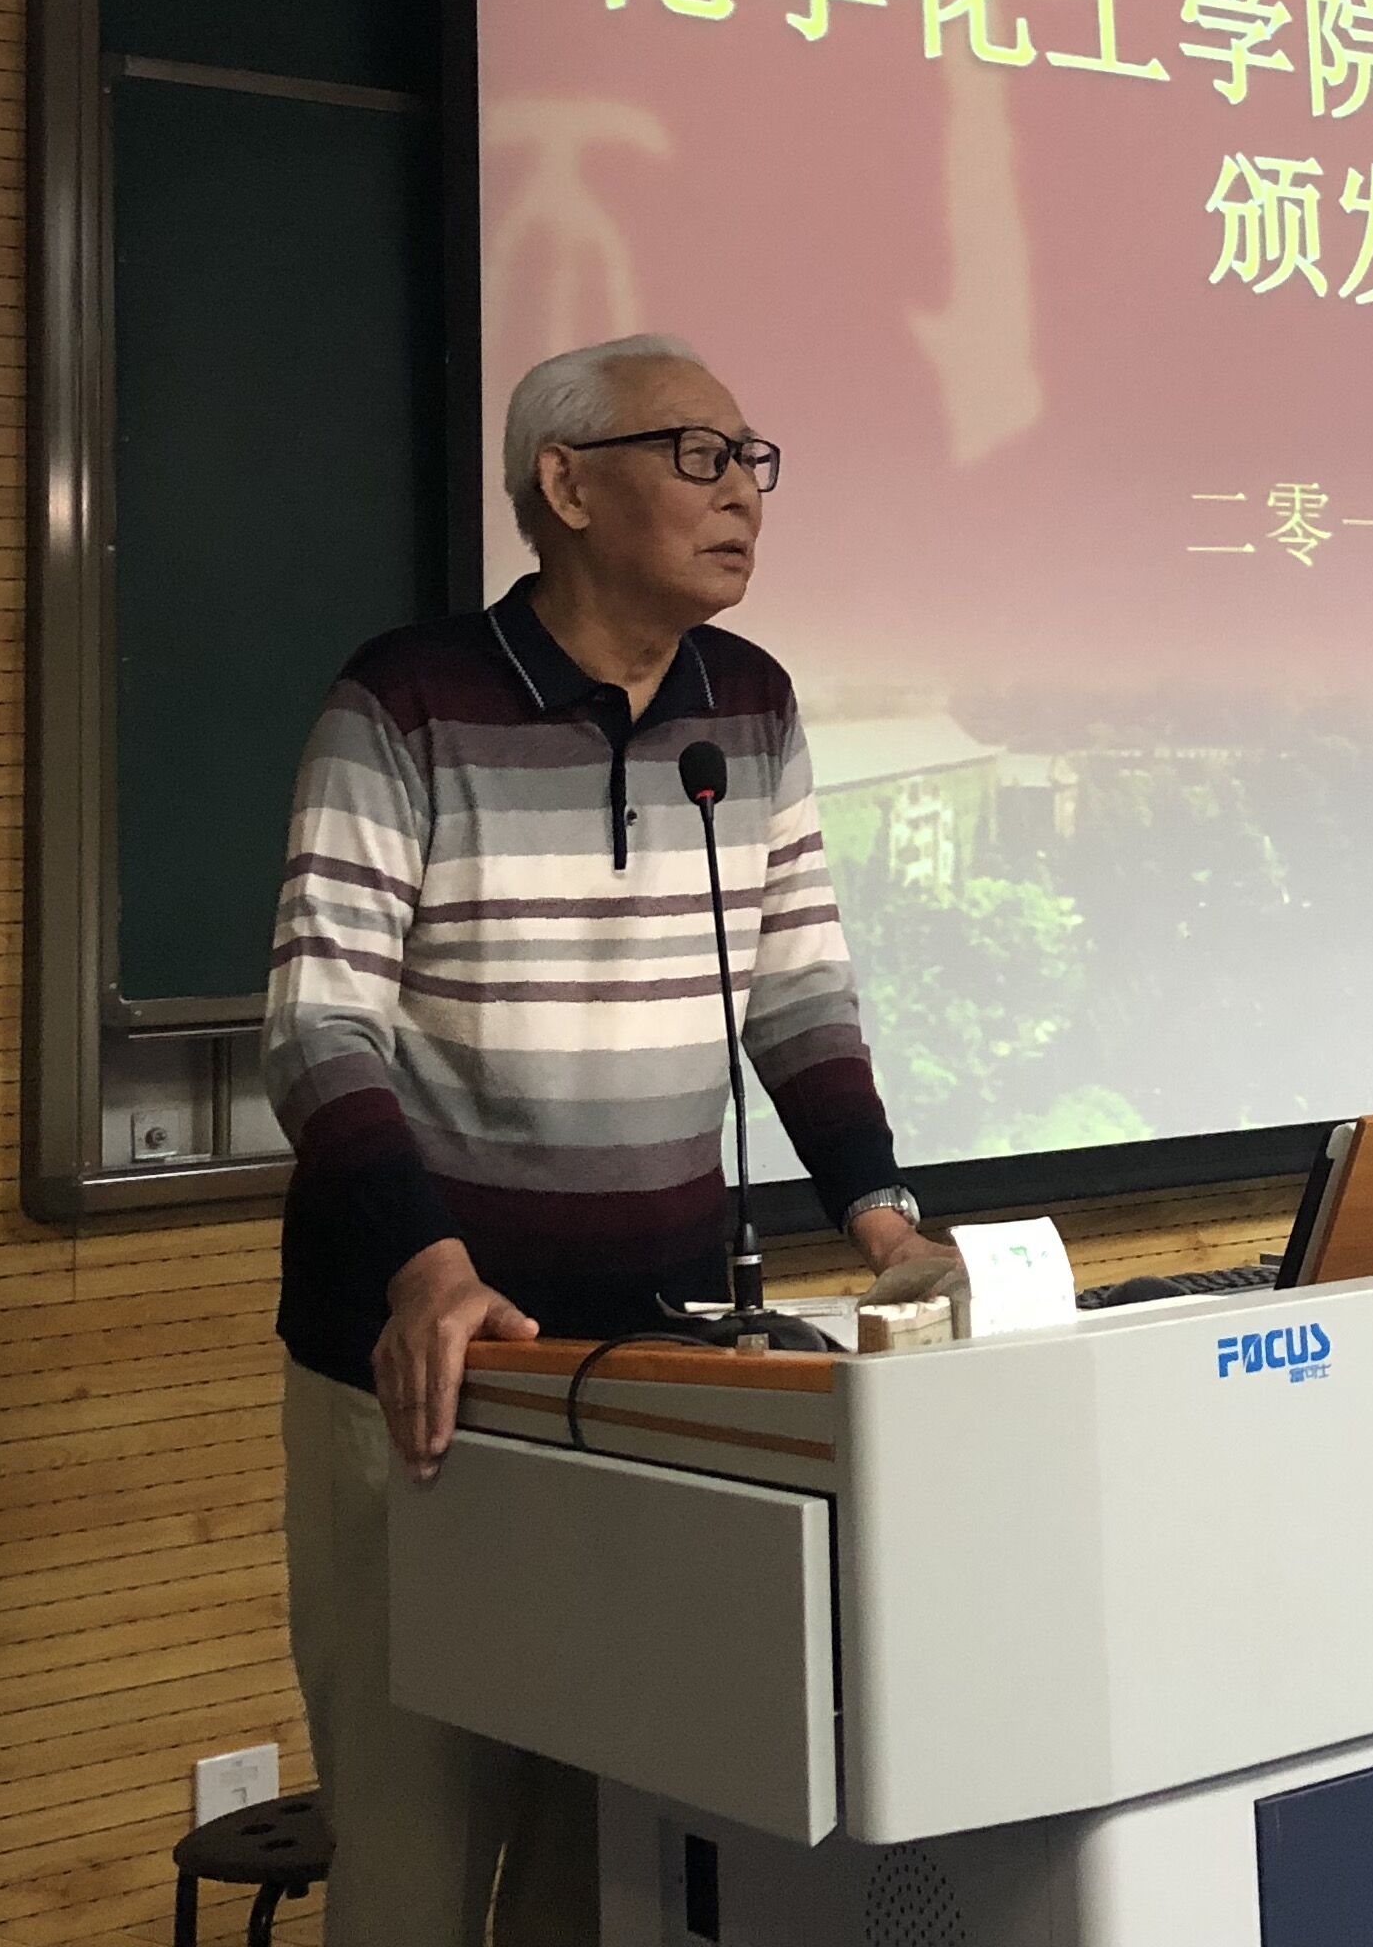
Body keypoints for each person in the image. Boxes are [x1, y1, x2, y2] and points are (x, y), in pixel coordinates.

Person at [264, 331, 950, 1943]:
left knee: (615, 1874)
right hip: (427, 1376)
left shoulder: (750, 704)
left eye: (752, 459)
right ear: (566, 486)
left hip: (653, 1382)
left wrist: (884, 1219)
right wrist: (426, 1267)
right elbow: (318, 1025)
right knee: (419, 1869)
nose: (742, 493)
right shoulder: (407, 702)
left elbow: (799, 996)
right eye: (697, 455)